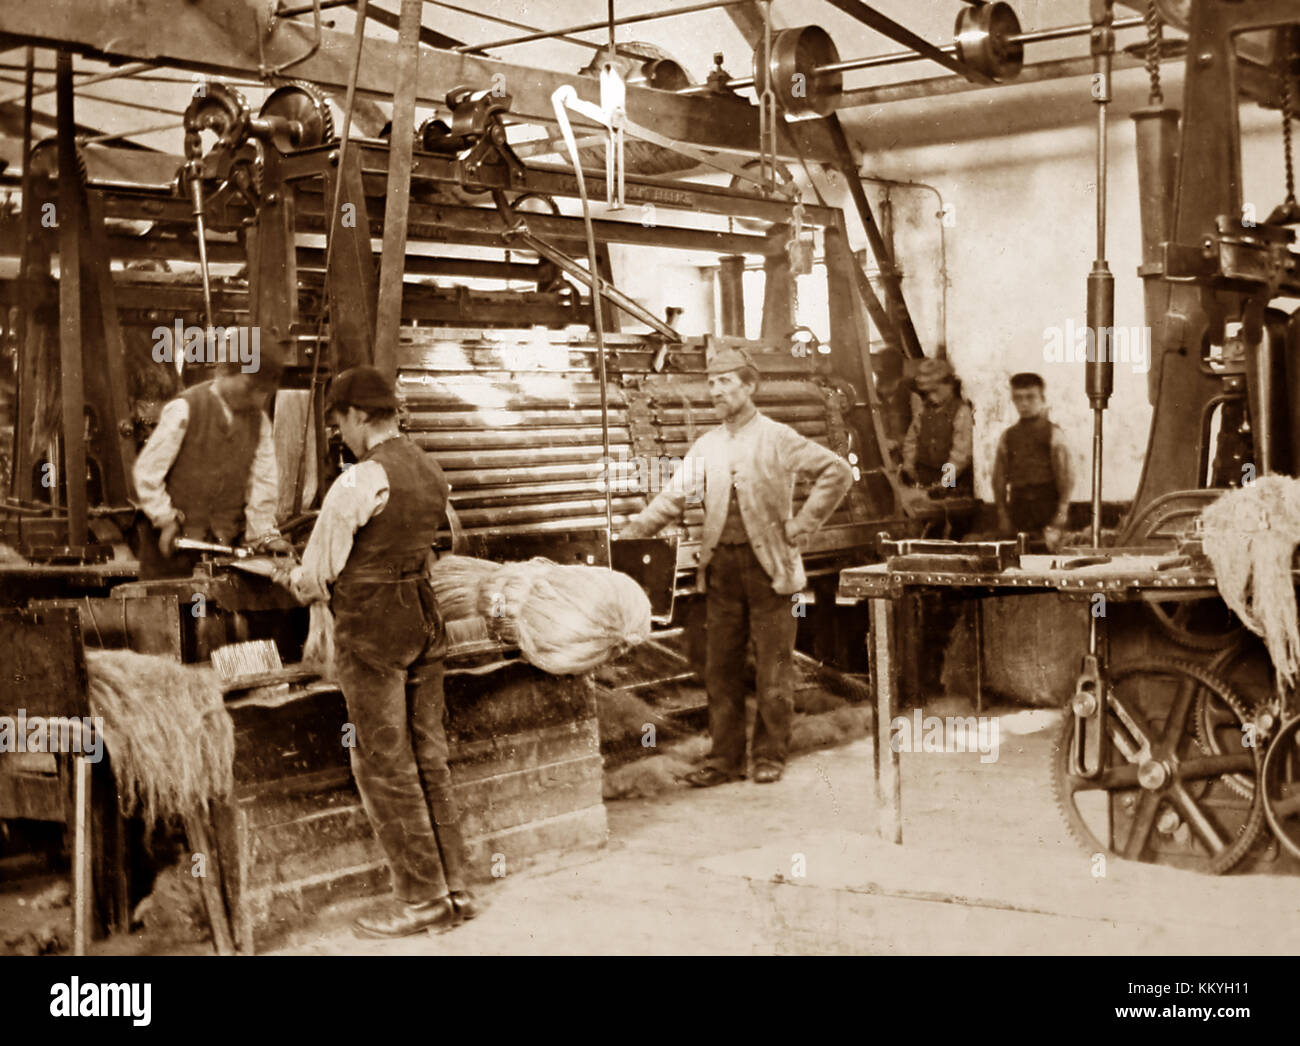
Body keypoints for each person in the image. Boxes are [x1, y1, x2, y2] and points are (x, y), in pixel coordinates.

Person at [278, 366, 477, 938]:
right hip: (422, 620)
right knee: (428, 758)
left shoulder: (359, 481)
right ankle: (456, 889)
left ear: (360, 416)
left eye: (339, 419)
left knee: (385, 765)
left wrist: (287, 574)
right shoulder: (429, 469)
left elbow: (316, 578)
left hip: (373, 632)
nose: (339, 432)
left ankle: (421, 902)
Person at [619, 346, 853, 786]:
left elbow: (837, 472)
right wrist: (633, 531)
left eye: (726, 382)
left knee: (774, 670)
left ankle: (769, 756)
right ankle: (725, 761)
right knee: (720, 671)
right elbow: (672, 499)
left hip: (770, 570)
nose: (716, 391)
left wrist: (803, 524)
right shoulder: (706, 446)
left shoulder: (777, 437)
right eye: (711, 383)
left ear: (749, 386)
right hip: (721, 572)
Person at [132, 347, 290, 578]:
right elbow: (147, 472)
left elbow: (262, 484)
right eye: (250, 388)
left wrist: (265, 534)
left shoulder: (259, 423)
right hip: (171, 552)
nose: (256, 399)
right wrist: (165, 518)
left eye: (263, 392)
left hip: (224, 550)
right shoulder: (185, 409)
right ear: (225, 373)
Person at [991, 372, 1073, 549]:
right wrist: (1002, 514)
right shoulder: (1008, 437)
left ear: (1042, 398)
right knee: (1020, 554)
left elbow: (1065, 475)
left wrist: (1062, 511)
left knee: (1048, 554)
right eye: (1018, 398)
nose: (1024, 403)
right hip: (1018, 506)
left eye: (1030, 397)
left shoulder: (1053, 434)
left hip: (1047, 504)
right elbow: (998, 478)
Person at [900, 357, 974, 497]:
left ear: (949, 386)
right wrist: (908, 464)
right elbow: (911, 440)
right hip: (924, 478)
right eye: (928, 393)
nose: (932, 397)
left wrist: (945, 482)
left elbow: (961, 453)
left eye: (936, 391)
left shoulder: (961, 412)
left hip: (953, 482)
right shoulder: (923, 410)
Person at [870, 347, 912, 466]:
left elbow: (918, 434)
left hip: (904, 460)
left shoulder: (911, 399)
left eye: (882, 377)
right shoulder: (875, 399)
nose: (878, 383)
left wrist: (897, 442)